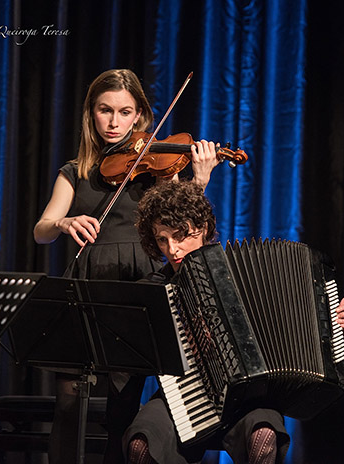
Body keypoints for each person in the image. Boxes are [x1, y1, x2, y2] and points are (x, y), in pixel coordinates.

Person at [33, 69, 220, 464]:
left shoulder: (156, 166)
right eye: (105, 110)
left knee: (122, 405)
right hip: (88, 283)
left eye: (124, 112)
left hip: (139, 283)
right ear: (92, 113)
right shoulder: (75, 171)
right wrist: (64, 222)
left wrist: (199, 181)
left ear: (139, 116)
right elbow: (41, 230)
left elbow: (179, 223)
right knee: (68, 405)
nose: (114, 121)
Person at [122, 180, 344, 464]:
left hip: (248, 400)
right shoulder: (158, 288)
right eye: (162, 239)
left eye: (181, 235)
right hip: (185, 395)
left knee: (264, 437)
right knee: (140, 444)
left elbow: (299, 322)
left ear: (204, 229)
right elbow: (137, 355)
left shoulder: (240, 271)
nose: (172, 249)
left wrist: (330, 326)